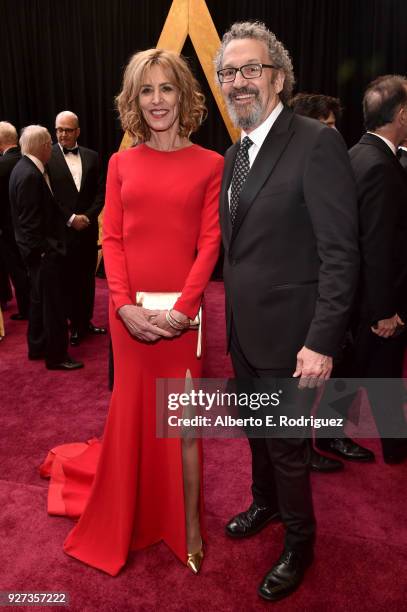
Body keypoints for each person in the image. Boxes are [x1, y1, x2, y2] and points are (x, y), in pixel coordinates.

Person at [41, 49, 223, 575]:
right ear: (134, 101)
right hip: (130, 317)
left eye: (167, 88)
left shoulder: (211, 164)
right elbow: (112, 238)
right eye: (147, 91)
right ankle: (130, 511)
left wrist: (183, 310)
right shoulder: (121, 163)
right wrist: (121, 307)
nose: (158, 100)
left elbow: (210, 243)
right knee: (134, 414)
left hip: (183, 320)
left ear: (184, 95)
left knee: (184, 425)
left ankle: (187, 526)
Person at [215, 21, 359, 601]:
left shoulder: (315, 141)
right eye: (229, 73)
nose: (238, 82)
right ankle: (265, 505)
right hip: (244, 335)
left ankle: (300, 544)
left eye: (251, 69)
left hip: (296, 339)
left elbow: (341, 252)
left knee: (290, 451)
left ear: (277, 76)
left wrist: (322, 341)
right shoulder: (234, 154)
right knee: (258, 435)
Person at [289, 95, 375, 471]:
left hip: (341, 288)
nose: (334, 134)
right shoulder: (295, 169)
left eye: (335, 125)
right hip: (308, 294)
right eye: (325, 126)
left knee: (342, 364)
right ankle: (302, 449)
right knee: (302, 378)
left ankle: (328, 435)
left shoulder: (342, 161)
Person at [339, 75, 407, 464]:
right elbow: (377, 244)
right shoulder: (381, 166)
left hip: (357, 294)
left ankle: (335, 437)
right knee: (378, 369)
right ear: (400, 114)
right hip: (375, 298)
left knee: (357, 367)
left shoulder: (356, 153)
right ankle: (395, 447)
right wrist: (384, 311)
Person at [9, 125, 83, 370]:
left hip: (33, 253)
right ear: (41, 146)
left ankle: (37, 346)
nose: (52, 147)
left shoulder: (22, 168)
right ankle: (57, 356)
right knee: (53, 306)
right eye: (49, 142)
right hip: (41, 254)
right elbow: (30, 223)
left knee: (39, 302)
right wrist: (45, 251)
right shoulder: (31, 175)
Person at [47, 111, 106, 346]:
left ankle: (86, 321)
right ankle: (73, 324)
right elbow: (49, 196)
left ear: (77, 132)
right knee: (68, 280)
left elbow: (101, 192)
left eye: (68, 130)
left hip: (88, 229)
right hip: (62, 231)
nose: (62, 134)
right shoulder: (47, 156)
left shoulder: (92, 157)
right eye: (59, 129)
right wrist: (71, 218)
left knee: (87, 279)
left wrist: (87, 217)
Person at [0, 121, 30, 321]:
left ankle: (26, 308)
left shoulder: (1, 166)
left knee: (17, 269)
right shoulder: (28, 161)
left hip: (7, 229)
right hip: (30, 226)